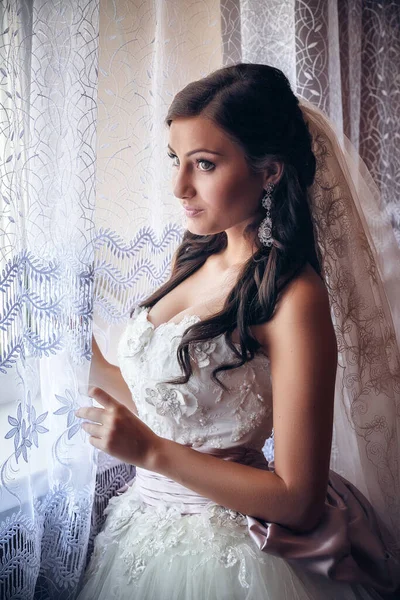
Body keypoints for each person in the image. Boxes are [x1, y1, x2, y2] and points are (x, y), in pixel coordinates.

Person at [75, 63, 400, 599]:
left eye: (203, 164)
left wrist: (151, 453)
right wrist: (87, 361)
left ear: (269, 172)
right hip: (142, 531)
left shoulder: (294, 298)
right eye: (176, 160)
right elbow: (172, 405)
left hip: (229, 557)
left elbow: (298, 497)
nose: (180, 186)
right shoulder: (193, 257)